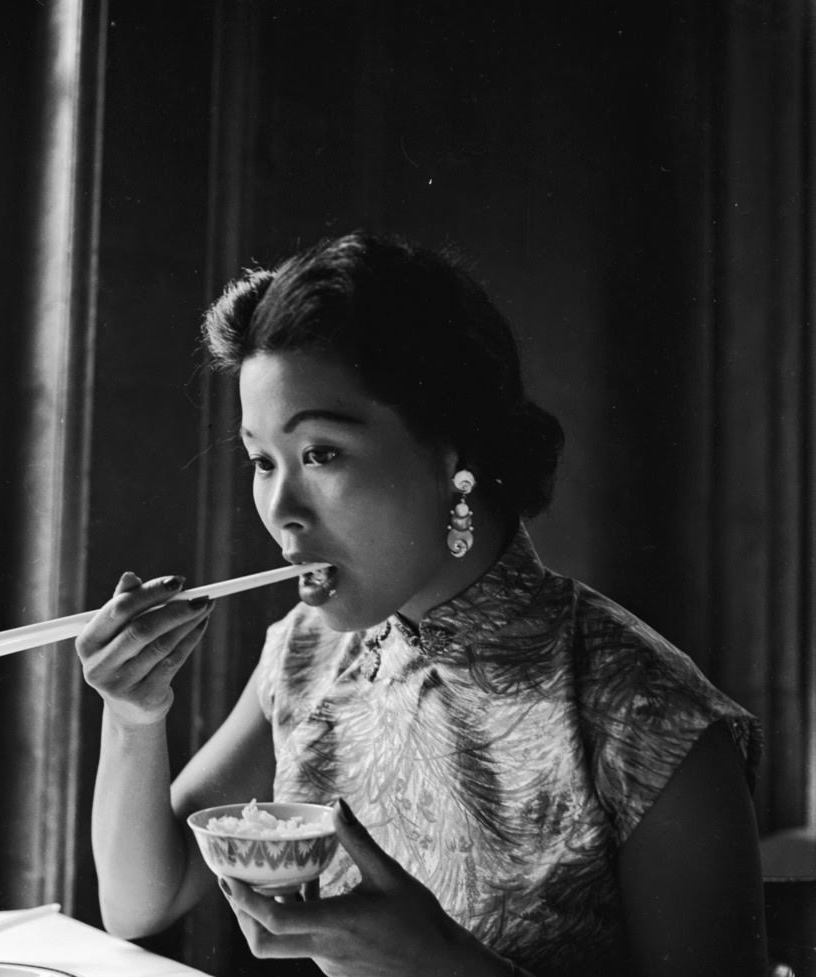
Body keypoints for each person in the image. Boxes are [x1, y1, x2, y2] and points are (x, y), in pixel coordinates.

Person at [76, 233, 767, 977]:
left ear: (453, 454)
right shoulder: (307, 651)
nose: (280, 508)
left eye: (321, 453)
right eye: (261, 460)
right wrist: (134, 715)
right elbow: (140, 899)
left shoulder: (649, 714)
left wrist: (441, 963)